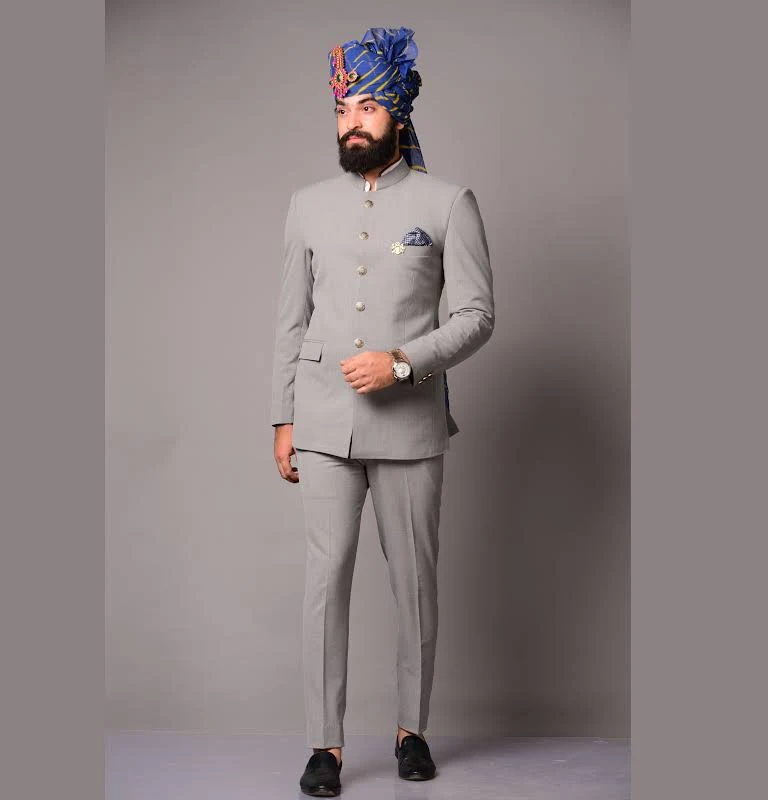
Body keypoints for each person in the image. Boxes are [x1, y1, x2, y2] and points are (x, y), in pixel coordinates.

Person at [270, 26, 495, 797]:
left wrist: (402, 363)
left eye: (366, 106)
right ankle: (324, 747)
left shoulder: (447, 203)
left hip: (410, 425)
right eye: (342, 109)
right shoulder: (306, 206)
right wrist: (282, 418)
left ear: (398, 113)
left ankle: (411, 731)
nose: (352, 122)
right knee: (324, 581)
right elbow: (290, 321)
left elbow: (477, 316)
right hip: (322, 423)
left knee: (415, 585)